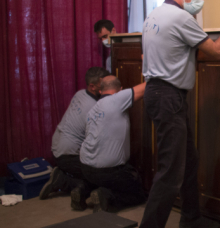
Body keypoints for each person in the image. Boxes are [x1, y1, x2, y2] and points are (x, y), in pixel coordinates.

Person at [135, 0, 220, 228]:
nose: (201, 1)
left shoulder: (153, 15)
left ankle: (191, 216)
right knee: (170, 171)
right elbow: (217, 51)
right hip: (168, 96)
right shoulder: (181, 19)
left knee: (189, 160)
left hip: (160, 93)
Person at [42, 66, 110, 210]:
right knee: (101, 177)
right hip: (69, 155)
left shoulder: (80, 94)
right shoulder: (95, 108)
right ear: (92, 86)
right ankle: (64, 181)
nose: (107, 88)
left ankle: (63, 178)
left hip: (57, 147)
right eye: (103, 85)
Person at [79, 75, 147, 213]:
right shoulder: (117, 99)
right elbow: (148, 87)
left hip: (85, 167)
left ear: (100, 91)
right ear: (120, 90)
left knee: (101, 180)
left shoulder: (92, 109)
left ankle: (82, 191)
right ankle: (106, 197)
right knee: (138, 193)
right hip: (108, 171)